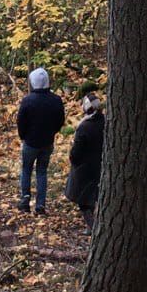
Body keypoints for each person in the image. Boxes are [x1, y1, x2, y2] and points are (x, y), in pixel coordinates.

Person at [17, 67, 65, 215]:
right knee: (42, 172)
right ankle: (40, 204)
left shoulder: (27, 101)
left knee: (26, 169)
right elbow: (60, 121)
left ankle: (25, 199)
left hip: (30, 142)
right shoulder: (56, 100)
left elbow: (21, 122)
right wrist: (51, 133)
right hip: (47, 142)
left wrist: (23, 136)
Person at [66, 93, 105, 230]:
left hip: (84, 169)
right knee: (96, 196)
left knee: (83, 201)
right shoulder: (106, 122)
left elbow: (76, 151)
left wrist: (72, 158)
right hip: (100, 165)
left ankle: (93, 228)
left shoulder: (84, 127)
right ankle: (96, 226)